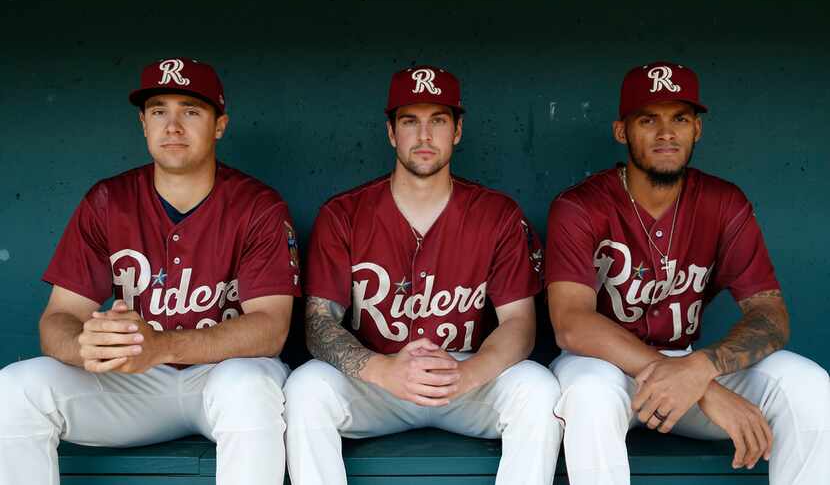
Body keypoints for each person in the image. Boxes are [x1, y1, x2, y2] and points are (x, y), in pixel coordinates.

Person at [0, 57, 300, 485]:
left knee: (249, 386)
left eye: (191, 112)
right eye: (159, 111)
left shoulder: (257, 205)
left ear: (220, 125)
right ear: (143, 123)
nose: (172, 126)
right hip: (133, 383)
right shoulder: (108, 200)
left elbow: (271, 329)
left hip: (221, 376)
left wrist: (163, 346)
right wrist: (88, 344)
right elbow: (58, 319)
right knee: (14, 387)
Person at [546, 61, 830, 485]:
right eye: (648, 119)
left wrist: (701, 369)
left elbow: (770, 314)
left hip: (688, 361)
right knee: (588, 393)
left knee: (807, 383)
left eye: (679, 118)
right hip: (602, 367)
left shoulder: (722, 201)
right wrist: (703, 385)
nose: (666, 133)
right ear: (621, 131)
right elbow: (571, 324)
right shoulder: (581, 206)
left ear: (696, 129)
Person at [285, 65, 562, 485]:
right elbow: (319, 323)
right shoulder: (344, 214)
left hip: (466, 376)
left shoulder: (496, 214)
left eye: (438, 120)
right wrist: (381, 370)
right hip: (375, 379)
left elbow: (520, 323)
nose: (425, 135)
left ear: (458, 130)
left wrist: (469, 373)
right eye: (410, 121)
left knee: (538, 389)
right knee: (305, 388)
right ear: (392, 132)